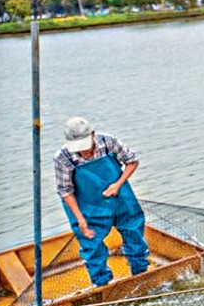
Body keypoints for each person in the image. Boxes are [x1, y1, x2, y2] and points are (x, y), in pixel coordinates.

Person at [53, 116, 149, 287]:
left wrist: (118, 184)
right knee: (92, 246)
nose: (84, 152)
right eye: (78, 148)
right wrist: (80, 219)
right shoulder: (63, 157)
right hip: (87, 208)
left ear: (92, 135)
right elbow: (65, 191)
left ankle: (141, 274)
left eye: (85, 146)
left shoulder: (108, 142)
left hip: (120, 199)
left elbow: (132, 161)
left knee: (134, 234)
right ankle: (102, 284)